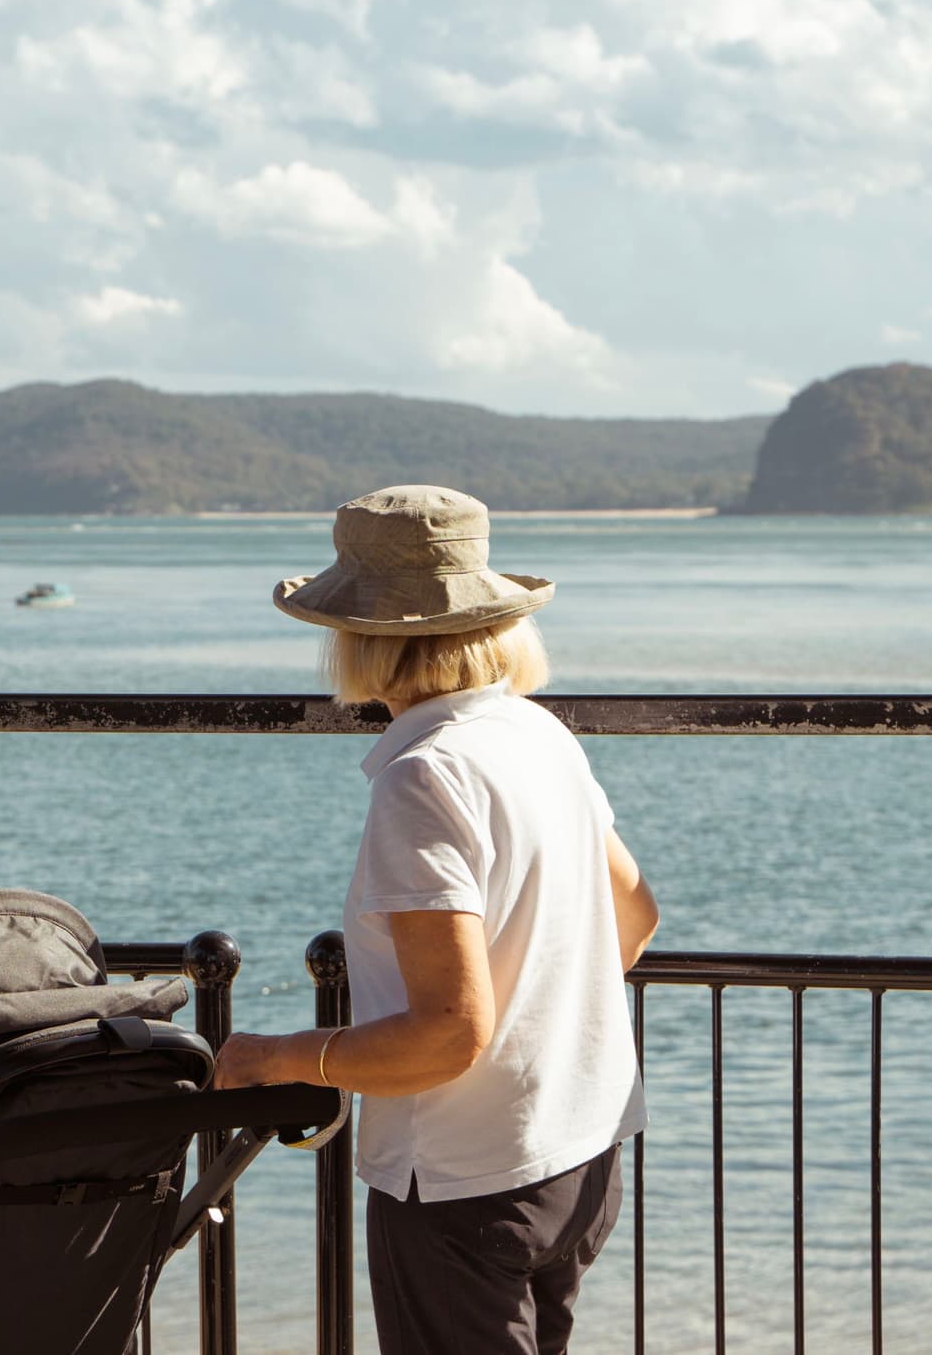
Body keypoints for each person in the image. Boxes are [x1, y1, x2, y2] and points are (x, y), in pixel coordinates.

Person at [212, 486, 661, 1355]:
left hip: (464, 1184)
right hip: (580, 1153)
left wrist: (281, 1056)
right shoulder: (539, 733)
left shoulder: (422, 775)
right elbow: (634, 918)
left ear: (361, 638)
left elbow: (450, 1034)